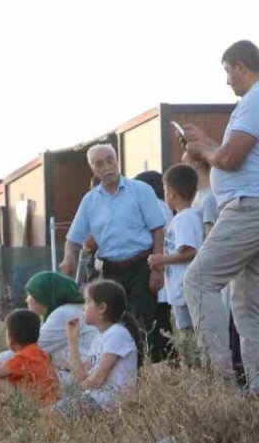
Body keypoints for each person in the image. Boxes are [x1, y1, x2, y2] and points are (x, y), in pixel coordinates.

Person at [181, 40, 259, 396]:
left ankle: (221, 387)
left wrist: (201, 149)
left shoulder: (258, 98)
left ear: (240, 66)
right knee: (248, 304)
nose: (227, 81)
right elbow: (235, 153)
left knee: (198, 281)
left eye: (228, 72)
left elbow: (230, 159)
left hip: (252, 206)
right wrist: (208, 142)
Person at [60, 144, 166, 359]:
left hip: (141, 265)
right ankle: (116, 373)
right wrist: (68, 256)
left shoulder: (140, 190)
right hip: (110, 271)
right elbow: (73, 238)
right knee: (112, 323)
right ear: (93, 170)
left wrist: (158, 268)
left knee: (141, 322)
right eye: (99, 164)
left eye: (110, 160)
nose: (106, 166)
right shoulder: (90, 201)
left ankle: (141, 375)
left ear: (117, 162)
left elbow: (158, 230)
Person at [0, 272, 97, 407]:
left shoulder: (64, 314)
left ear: (43, 295)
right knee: (2, 381)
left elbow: (20, 352)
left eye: (30, 294)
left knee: (4, 381)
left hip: (79, 380)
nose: (27, 299)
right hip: (74, 376)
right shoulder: (66, 311)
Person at [0, 308, 61, 425]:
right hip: (47, 410)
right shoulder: (39, 353)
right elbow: (0, 373)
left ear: (10, 339)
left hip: (35, 414)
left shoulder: (24, 358)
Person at [63, 279, 142, 413]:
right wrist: (72, 340)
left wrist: (76, 389)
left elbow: (97, 380)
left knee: (48, 416)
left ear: (102, 308)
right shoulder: (100, 337)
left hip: (107, 405)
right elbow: (80, 376)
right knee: (46, 414)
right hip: (94, 400)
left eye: (87, 301)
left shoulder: (117, 335)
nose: (83, 307)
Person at [149, 164, 203, 337]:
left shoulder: (185, 218)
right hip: (179, 290)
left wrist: (161, 260)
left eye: (165, 189)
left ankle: (194, 364)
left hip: (185, 289)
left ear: (171, 191)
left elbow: (190, 252)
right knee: (185, 334)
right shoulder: (180, 218)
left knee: (189, 337)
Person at [134, 170, 177, 363]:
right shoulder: (164, 207)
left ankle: (162, 360)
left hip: (156, 269)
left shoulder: (153, 206)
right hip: (166, 270)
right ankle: (167, 359)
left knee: (155, 321)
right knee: (163, 319)